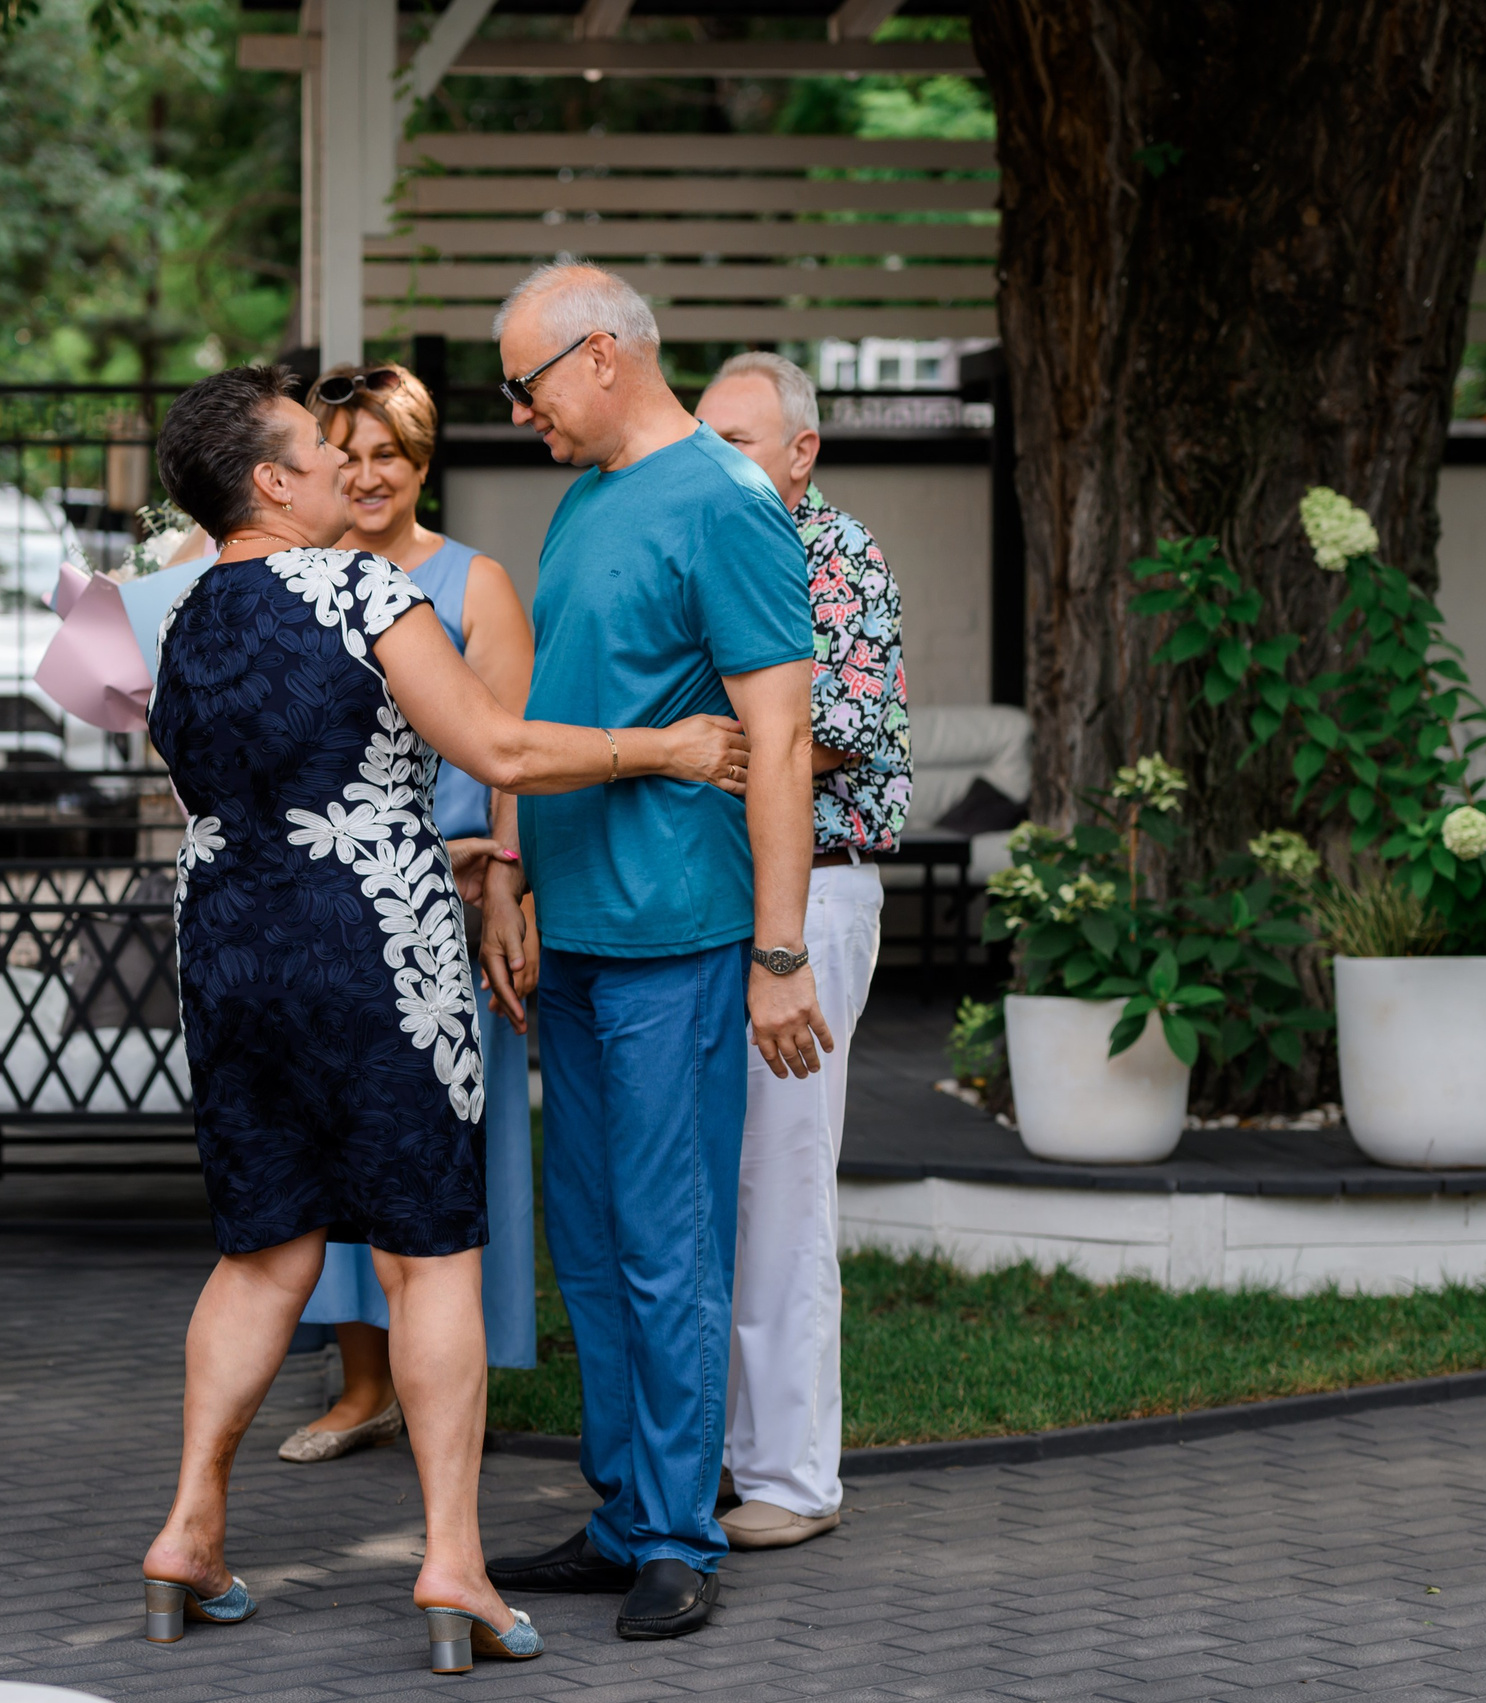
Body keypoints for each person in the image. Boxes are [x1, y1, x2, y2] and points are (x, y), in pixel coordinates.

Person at [137, 364, 750, 1672]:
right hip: (373, 945)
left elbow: (237, 779)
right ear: (270, 480)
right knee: (428, 1252)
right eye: (316, 449)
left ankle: (190, 1526)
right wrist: (674, 749)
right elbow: (501, 749)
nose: (345, 473)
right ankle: (454, 1559)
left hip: (228, 941)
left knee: (264, 1247)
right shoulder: (369, 587)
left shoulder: (181, 614)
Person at [478, 266, 830, 1642]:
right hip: (573, 931)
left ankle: (681, 1530)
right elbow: (547, 705)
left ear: (606, 354)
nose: (520, 411)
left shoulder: (728, 506)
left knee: (669, 1239)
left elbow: (783, 739)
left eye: (530, 381)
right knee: (596, 1235)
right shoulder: (584, 503)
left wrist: (781, 949)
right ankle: (626, 1507)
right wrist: (510, 871)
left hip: (681, 931)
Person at [276, 362, 541, 1465]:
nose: (369, 472)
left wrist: (508, 885)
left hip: (449, 896)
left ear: (423, 460)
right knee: (334, 1140)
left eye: (390, 451)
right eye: (349, 453)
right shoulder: (296, 576)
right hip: (325, 907)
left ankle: (447, 1382)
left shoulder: (473, 582)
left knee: (437, 1146)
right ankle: (362, 1382)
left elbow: (513, 747)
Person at [696, 352, 911, 1549]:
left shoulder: (837, 554)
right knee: (725, 1187)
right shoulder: (722, 538)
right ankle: (733, 1454)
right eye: (706, 438)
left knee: (782, 1184)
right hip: (722, 900)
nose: (719, 460)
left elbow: (836, 730)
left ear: (800, 450)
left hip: (813, 900)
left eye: (740, 439)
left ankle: (792, 1477)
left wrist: (687, 747)